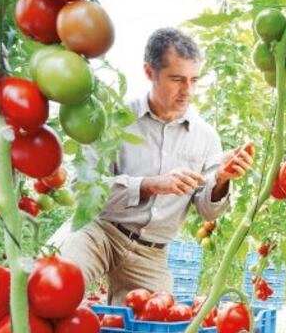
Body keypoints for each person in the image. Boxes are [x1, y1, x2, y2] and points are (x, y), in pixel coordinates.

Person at [55, 27, 253, 304]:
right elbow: (83, 188)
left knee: (152, 330)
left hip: (152, 252)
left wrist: (221, 180)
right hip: (99, 231)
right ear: (149, 72)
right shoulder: (114, 119)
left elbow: (207, 212)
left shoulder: (205, 137)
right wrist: (149, 185)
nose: (188, 91)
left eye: (194, 80)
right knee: (58, 286)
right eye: (177, 79)